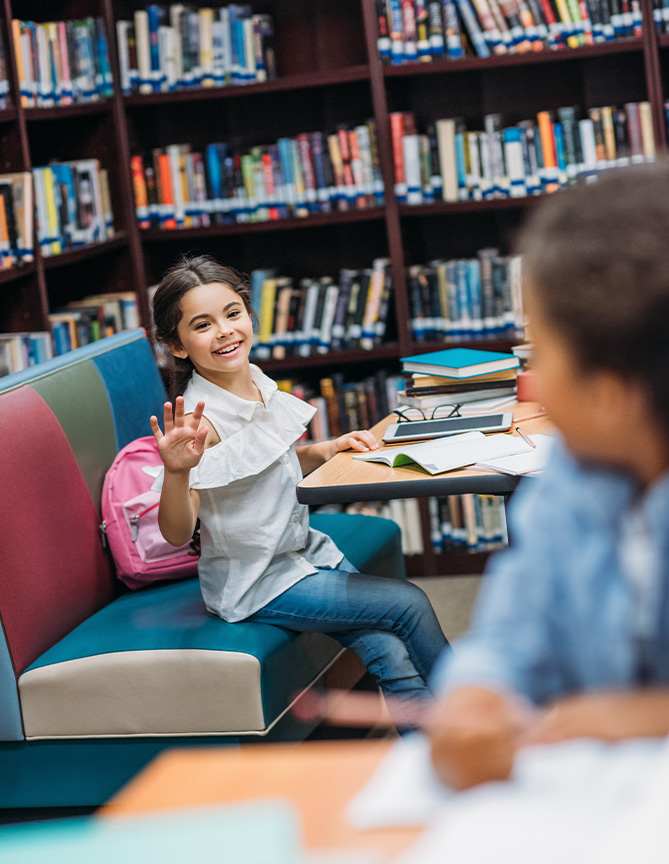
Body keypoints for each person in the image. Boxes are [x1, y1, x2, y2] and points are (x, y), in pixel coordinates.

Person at [427, 160, 669, 790]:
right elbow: (512, 629)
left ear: (610, 396)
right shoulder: (569, 477)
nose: (528, 379)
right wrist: (476, 696)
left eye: (540, 348)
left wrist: (641, 717)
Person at [149, 254, 448, 714]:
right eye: (203, 325)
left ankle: (445, 765)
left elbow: (262, 459)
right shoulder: (199, 422)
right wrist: (176, 471)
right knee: (407, 604)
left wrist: (323, 450)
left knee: (388, 650)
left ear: (250, 315)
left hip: (304, 552)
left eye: (232, 314)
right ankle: (479, 724)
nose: (226, 331)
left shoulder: (253, 380)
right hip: (260, 581)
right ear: (179, 346)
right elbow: (176, 530)